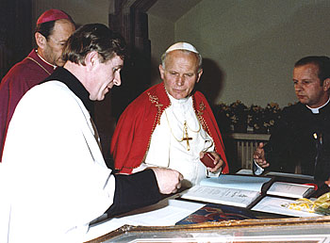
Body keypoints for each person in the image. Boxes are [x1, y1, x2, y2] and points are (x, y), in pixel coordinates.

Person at [0, 23, 182, 243]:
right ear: (93, 59)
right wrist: (154, 182)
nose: (118, 80)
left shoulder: (58, 96)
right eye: (115, 69)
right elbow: (92, 196)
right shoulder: (56, 101)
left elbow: (75, 180)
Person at [111, 42, 229, 186]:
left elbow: (212, 155)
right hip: (161, 198)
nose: (180, 82)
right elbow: (127, 169)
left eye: (188, 75)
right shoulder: (141, 107)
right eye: (173, 73)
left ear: (198, 76)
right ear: (162, 72)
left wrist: (215, 163)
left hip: (203, 191)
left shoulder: (201, 104)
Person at [0, 9, 76, 161]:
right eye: (62, 44)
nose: (68, 51)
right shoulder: (19, 77)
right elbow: (12, 136)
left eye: (71, 44)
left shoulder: (68, 71)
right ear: (41, 40)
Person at [253, 56, 330, 183]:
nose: (298, 88)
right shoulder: (290, 116)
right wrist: (262, 161)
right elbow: (276, 154)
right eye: (295, 82)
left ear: (326, 84)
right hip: (305, 190)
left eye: (306, 82)